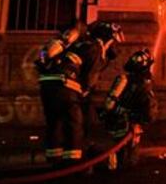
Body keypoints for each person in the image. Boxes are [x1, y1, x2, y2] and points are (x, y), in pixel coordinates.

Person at [35, 20, 124, 165]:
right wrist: (85, 92)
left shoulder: (79, 44)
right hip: (66, 85)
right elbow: (90, 78)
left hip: (47, 84)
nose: (114, 47)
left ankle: (54, 158)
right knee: (75, 124)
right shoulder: (95, 47)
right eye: (113, 42)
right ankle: (74, 163)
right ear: (107, 39)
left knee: (55, 122)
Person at [98, 48, 158, 170]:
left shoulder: (123, 79)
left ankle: (112, 163)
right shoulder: (143, 84)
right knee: (129, 159)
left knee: (118, 147)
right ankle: (116, 165)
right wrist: (141, 121)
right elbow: (149, 110)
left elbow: (109, 104)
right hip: (130, 125)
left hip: (116, 122)